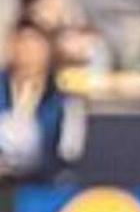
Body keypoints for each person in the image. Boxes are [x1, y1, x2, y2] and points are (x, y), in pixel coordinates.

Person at [0, 25, 86, 186]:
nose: (28, 54)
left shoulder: (66, 104)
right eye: (22, 46)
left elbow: (68, 154)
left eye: (35, 48)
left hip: (40, 186)